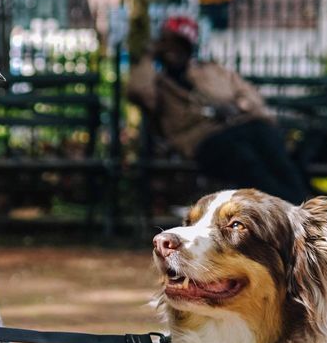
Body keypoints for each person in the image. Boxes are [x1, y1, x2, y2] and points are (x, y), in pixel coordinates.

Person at [128, 15, 308, 204]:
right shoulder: (157, 83)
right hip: (202, 139)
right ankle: (287, 208)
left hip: (240, 125)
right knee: (244, 159)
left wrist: (240, 106)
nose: (173, 50)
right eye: (168, 44)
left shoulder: (211, 71)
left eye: (179, 44)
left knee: (271, 145)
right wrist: (149, 56)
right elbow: (136, 91)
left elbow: (248, 94)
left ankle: (298, 207)